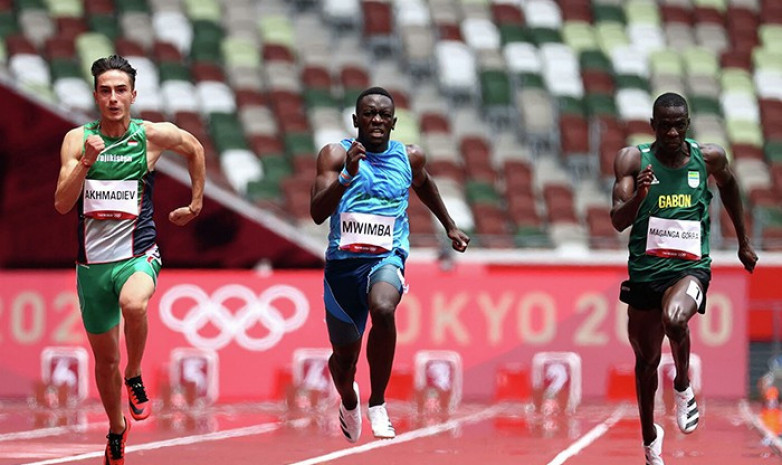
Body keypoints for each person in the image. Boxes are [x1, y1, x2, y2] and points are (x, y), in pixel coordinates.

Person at [54, 55, 205, 465]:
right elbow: (62, 205)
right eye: (105, 90)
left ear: (134, 95)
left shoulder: (151, 135)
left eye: (121, 90)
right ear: (95, 96)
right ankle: (117, 428)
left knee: (134, 304)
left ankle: (135, 373)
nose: (114, 98)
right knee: (105, 361)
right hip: (92, 267)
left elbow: (193, 147)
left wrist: (195, 201)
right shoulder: (76, 139)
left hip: (138, 254)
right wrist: (87, 160)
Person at [310, 86, 469, 442]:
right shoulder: (335, 155)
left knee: (383, 309)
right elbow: (318, 213)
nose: (376, 119)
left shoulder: (409, 157)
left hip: (386, 257)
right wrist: (347, 175)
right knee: (343, 361)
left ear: (394, 122)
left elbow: (426, 185)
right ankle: (349, 400)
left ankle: (378, 403)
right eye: (369, 113)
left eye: (383, 114)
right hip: (342, 267)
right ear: (356, 120)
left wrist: (450, 225)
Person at [610, 92, 757, 465]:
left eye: (679, 125)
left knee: (675, 318)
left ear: (687, 124)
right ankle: (649, 442)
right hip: (645, 274)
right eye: (665, 125)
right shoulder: (633, 160)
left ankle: (682, 385)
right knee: (644, 365)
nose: (672, 132)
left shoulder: (708, 157)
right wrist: (640, 196)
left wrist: (743, 241)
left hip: (689, 268)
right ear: (653, 126)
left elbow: (730, 187)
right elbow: (617, 220)